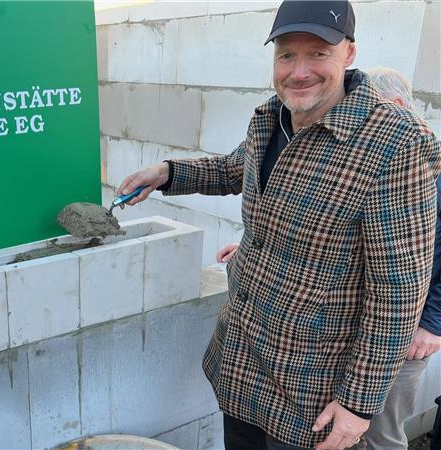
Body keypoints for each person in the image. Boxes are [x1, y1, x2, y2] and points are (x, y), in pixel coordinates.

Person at [117, 1, 441, 448]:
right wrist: (168, 173)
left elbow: (398, 292)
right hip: (241, 363)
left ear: (348, 53)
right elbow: (234, 169)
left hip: (311, 390)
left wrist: (359, 404)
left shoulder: (396, 143)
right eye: (287, 54)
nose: (298, 71)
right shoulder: (271, 117)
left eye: (318, 53)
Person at [215, 67, 441, 450]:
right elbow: (325, 233)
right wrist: (257, 249)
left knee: (381, 433)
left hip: (394, 335)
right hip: (300, 349)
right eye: (287, 55)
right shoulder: (286, 124)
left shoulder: (405, 152)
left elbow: (398, 287)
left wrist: (432, 321)